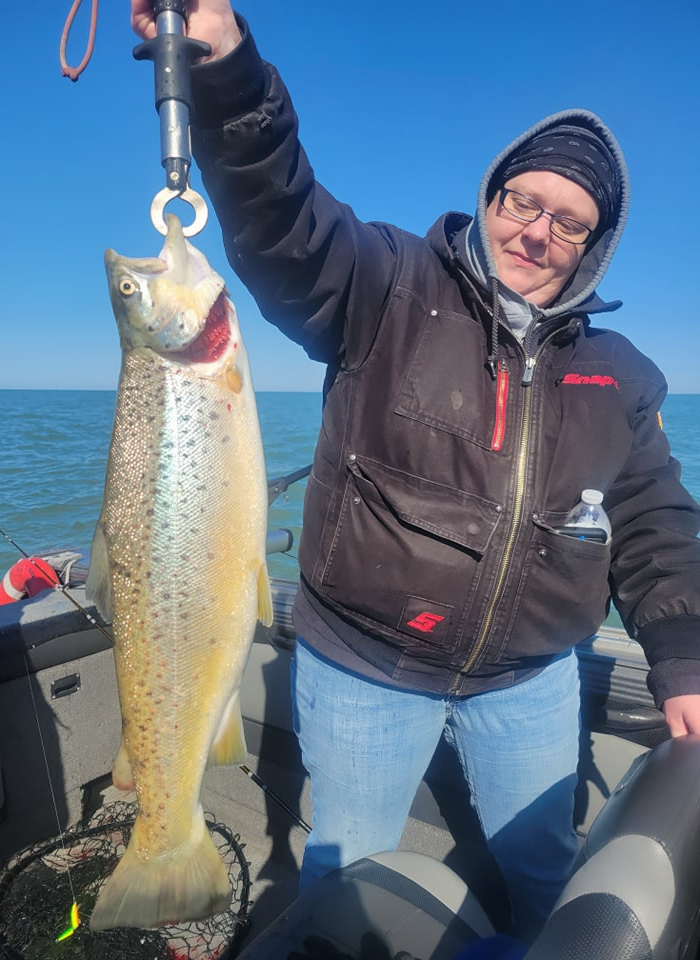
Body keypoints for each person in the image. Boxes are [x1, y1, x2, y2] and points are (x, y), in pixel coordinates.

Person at [133, 1, 700, 941]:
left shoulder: (624, 374)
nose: (537, 232)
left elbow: (654, 524)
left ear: (593, 247)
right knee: (348, 874)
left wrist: (685, 661)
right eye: (523, 202)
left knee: (546, 866)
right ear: (492, 196)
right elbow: (282, 223)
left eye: (569, 222)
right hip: (365, 667)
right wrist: (226, 72)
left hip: (528, 680)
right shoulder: (387, 281)